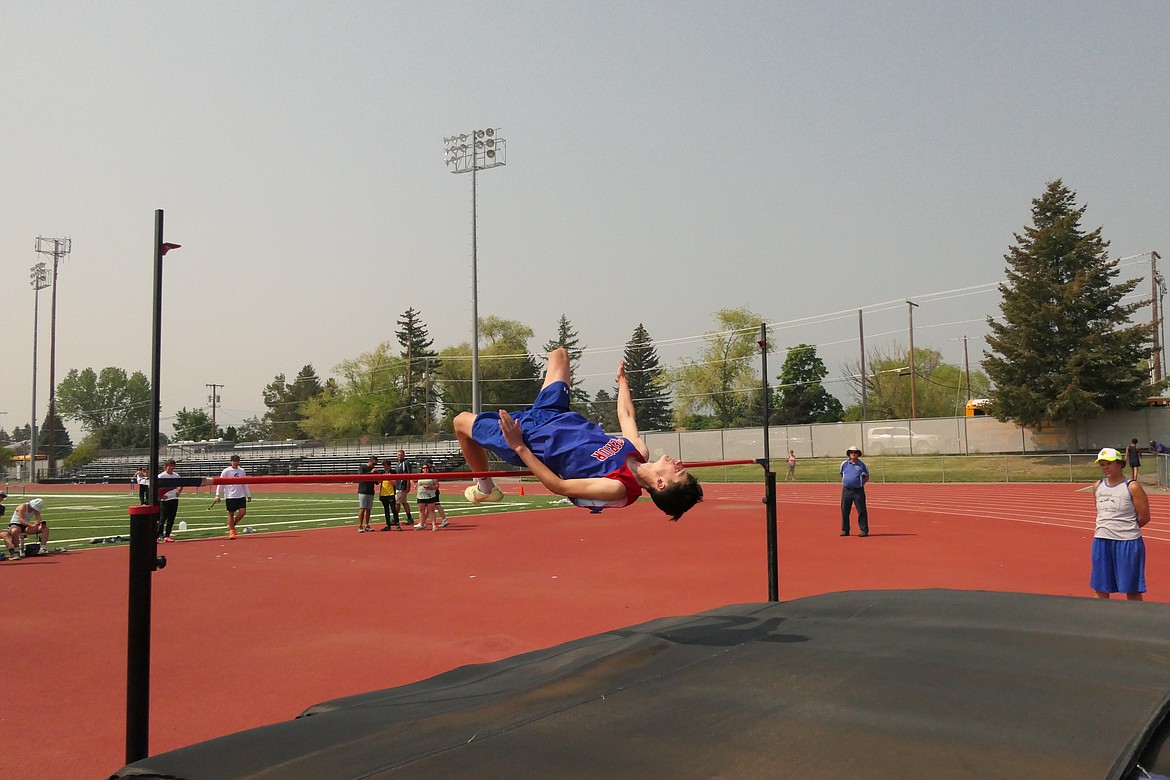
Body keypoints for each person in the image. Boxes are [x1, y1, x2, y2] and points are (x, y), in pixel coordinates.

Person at [454, 348, 702, 520]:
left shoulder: (618, 487)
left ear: (660, 484)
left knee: (460, 422)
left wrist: (518, 446)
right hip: (555, 413)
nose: (679, 463)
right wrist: (622, 382)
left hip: (530, 437)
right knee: (559, 354)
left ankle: (485, 487)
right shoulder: (639, 451)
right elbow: (626, 416)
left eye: (679, 471)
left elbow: (559, 486)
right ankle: (486, 485)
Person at [1091, 447, 1150, 601]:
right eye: (1102, 464)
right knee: (1100, 587)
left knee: (1132, 589)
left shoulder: (1132, 487)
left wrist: (1124, 529)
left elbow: (1144, 517)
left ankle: (1135, 621)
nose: (1106, 467)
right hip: (1101, 541)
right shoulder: (1097, 486)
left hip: (1127, 543)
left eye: (1109, 463)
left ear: (1120, 464)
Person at [213, 455, 252, 540]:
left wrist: (248, 495)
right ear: (231, 462)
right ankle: (232, 531)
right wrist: (217, 495)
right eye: (233, 461)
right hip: (230, 496)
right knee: (231, 514)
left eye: (236, 461)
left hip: (240, 495)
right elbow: (220, 483)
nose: (235, 463)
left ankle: (232, 525)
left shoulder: (242, 471)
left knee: (243, 512)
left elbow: (244, 483)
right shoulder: (226, 471)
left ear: (239, 462)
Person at [839, 445, 870, 537]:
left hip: (858, 491)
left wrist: (860, 484)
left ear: (858, 454)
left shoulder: (862, 465)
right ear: (849, 454)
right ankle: (845, 530)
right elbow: (842, 474)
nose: (853, 454)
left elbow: (866, 476)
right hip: (846, 491)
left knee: (861, 511)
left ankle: (864, 530)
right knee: (845, 511)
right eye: (851, 452)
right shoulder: (844, 464)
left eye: (855, 452)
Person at [157, 459, 183, 542]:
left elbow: (181, 483)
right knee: (163, 518)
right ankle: (157, 536)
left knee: (171, 518)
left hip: (174, 498)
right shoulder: (161, 476)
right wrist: (160, 495)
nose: (171, 467)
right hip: (165, 500)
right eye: (170, 466)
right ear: (165, 467)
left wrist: (179, 491)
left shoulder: (176, 475)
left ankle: (167, 536)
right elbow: (154, 486)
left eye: (173, 466)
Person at [415, 461, 444, 530]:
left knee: (431, 510)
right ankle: (422, 524)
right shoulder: (419, 475)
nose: (425, 469)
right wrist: (415, 486)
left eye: (427, 468)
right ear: (422, 469)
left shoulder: (432, 476)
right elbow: (411, 479)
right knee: (421, 510)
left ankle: (434, 525)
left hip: (430, 495)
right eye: (424, 468)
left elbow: (437, 485)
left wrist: (430, 488)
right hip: (421, 495)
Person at [393, 449, 415, 529]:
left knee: (397, 502)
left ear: (404, 455)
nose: (399, 456)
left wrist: (408, 486)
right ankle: (409, 518)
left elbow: (408, 475)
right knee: (404, 502)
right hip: (398, 485)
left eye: (401, 455)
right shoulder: (398, 464)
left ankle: (396, 518)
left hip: (402, 486)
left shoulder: (405, 463)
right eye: (398, 455)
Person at [378, 458, 402, 531]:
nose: (385, 467)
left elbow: (395, 483)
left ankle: (397, 524)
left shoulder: (393, 472)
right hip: (383, 493)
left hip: (391, 493)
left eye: (386, 466)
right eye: (384, 466)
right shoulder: (381, 472)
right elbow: (379, 481)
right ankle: (388, 525)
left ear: (389, 466)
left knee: (393, 509)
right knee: (386, 510)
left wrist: (388, 478)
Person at [356, 455, 377, 532]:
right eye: (373, 464)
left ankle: (367, 525)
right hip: (363, 491)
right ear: (370, 461)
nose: (374, 466)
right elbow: (361, 477)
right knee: (362, 508)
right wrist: (371, 472)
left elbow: (376, 482)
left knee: (368, 509)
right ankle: (360, 526)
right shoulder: (362, 468)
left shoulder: (374, 470)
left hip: (371, 491)